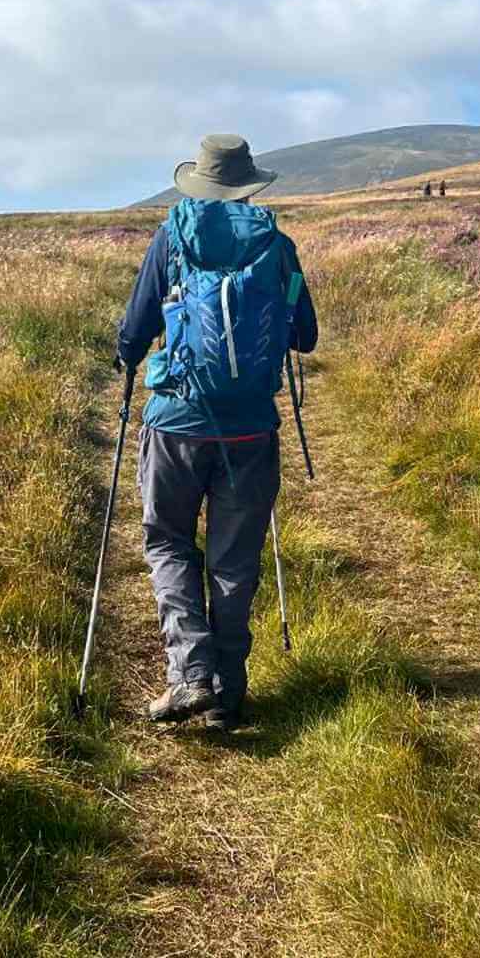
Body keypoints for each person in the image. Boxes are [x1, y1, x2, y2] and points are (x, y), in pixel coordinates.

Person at [116, 134, 319, 732]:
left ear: (197, 183)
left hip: (175, 423)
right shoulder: (277, 248)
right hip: (252, 431)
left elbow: (135, 327)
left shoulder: (172, 237)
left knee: (169, 542)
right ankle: (227, 696)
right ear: (251, 186)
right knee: (234, 561)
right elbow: (304, 336)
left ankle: (190, 676)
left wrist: (128, 356)